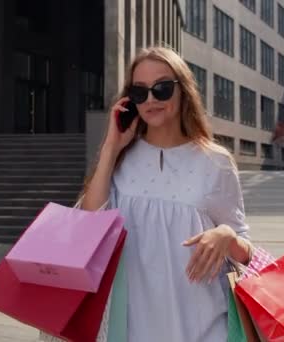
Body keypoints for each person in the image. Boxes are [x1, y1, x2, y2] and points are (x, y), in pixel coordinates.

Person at [81, 46, 253, 341]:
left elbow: (247, 253)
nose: (150, 100)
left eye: (162, 89)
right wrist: (111, 146)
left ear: (183, 91)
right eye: (139, 92)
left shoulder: (216, 161)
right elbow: (88, 225)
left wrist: (226, 235)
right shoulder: (122, 158)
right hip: (132, 329)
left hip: (207, 329)